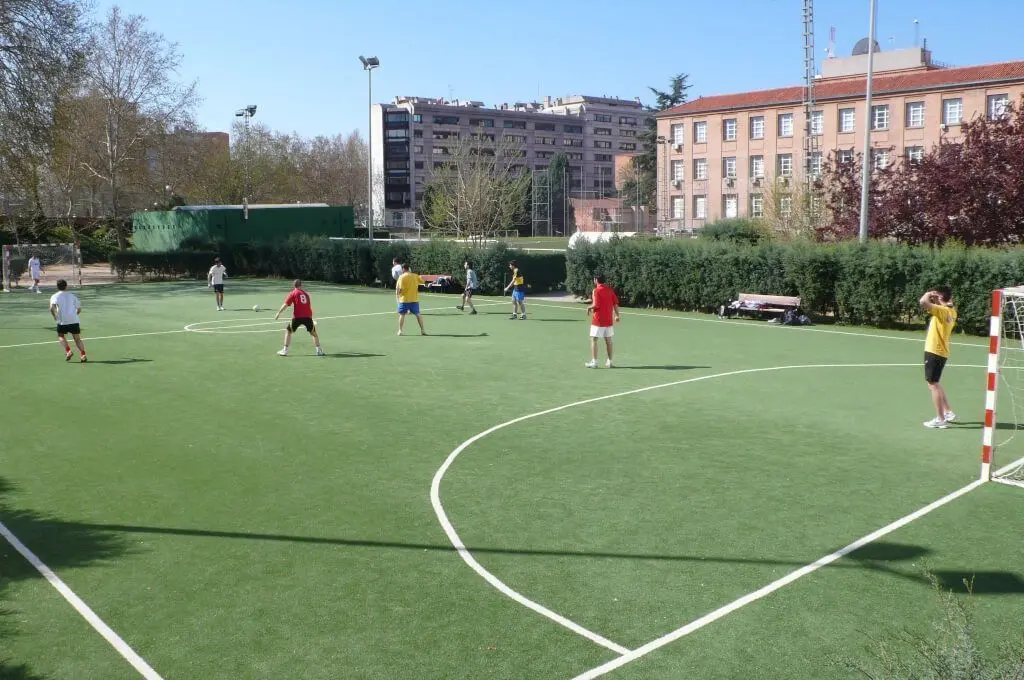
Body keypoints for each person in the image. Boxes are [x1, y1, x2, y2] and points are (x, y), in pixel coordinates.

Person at [920, 285, 957, 428]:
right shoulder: (951, 310)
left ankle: (940, 419)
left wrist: (928, 293)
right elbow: (947, 302)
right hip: (942, 351)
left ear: (940, 297)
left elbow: (923, 302)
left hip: (934, 351)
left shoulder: (942, 311)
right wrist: (939, 298)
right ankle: (947, 412)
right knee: (936, 382)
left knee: (932, 385)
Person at [273, 279, 324, 357]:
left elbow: (286, 304)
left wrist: (278, 312)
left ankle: (285, 350)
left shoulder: (293, 293)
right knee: (314, 334)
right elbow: (308, 306)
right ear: (301, 285)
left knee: (288, 331)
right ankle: (319, 350)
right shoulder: (306, 294)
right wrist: (310, 317)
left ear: (294, 285)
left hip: (297, 317)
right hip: (307, 317)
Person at [585, 274, 620, 369]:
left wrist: (588, 307)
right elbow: (615, 304)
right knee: (608, 340)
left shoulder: (596, 290)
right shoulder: (610, 290)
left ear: (596, 280)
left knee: (594, 339)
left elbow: (596, 305)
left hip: (598, 320)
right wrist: (617, 315)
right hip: (608, 320)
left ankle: (594, 362)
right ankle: (609, 361)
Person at [49, 279, 86, 363]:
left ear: (57, 287)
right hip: (74, 320)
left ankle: (68, 351)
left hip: (62, 320)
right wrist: (75, 315)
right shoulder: (72, 296)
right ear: (66, 286)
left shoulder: (55, 296)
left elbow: (52, 308)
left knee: (61, 336)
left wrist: (54, 316)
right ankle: (83, 354)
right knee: (77, 339)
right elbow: (79, 309)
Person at [396, 263, 427, 336]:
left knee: (402, 315)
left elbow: (400, 289)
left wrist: (398, 294)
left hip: (404, 300)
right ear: (408, 268)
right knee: (418, 315)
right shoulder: (415, 276)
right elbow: (423, 281)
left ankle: (400, 331)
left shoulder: (401, 277)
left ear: (403, 269)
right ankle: (423, 330)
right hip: (414, 300)